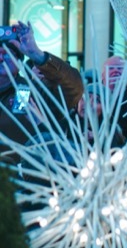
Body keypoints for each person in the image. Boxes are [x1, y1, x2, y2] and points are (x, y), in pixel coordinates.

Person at [0, 21, 85, 151]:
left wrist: (38, 55)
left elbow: (74, 89)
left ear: (18, 63)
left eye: (7, 54)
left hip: (18, 168)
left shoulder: (29, 92)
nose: (0, 58)